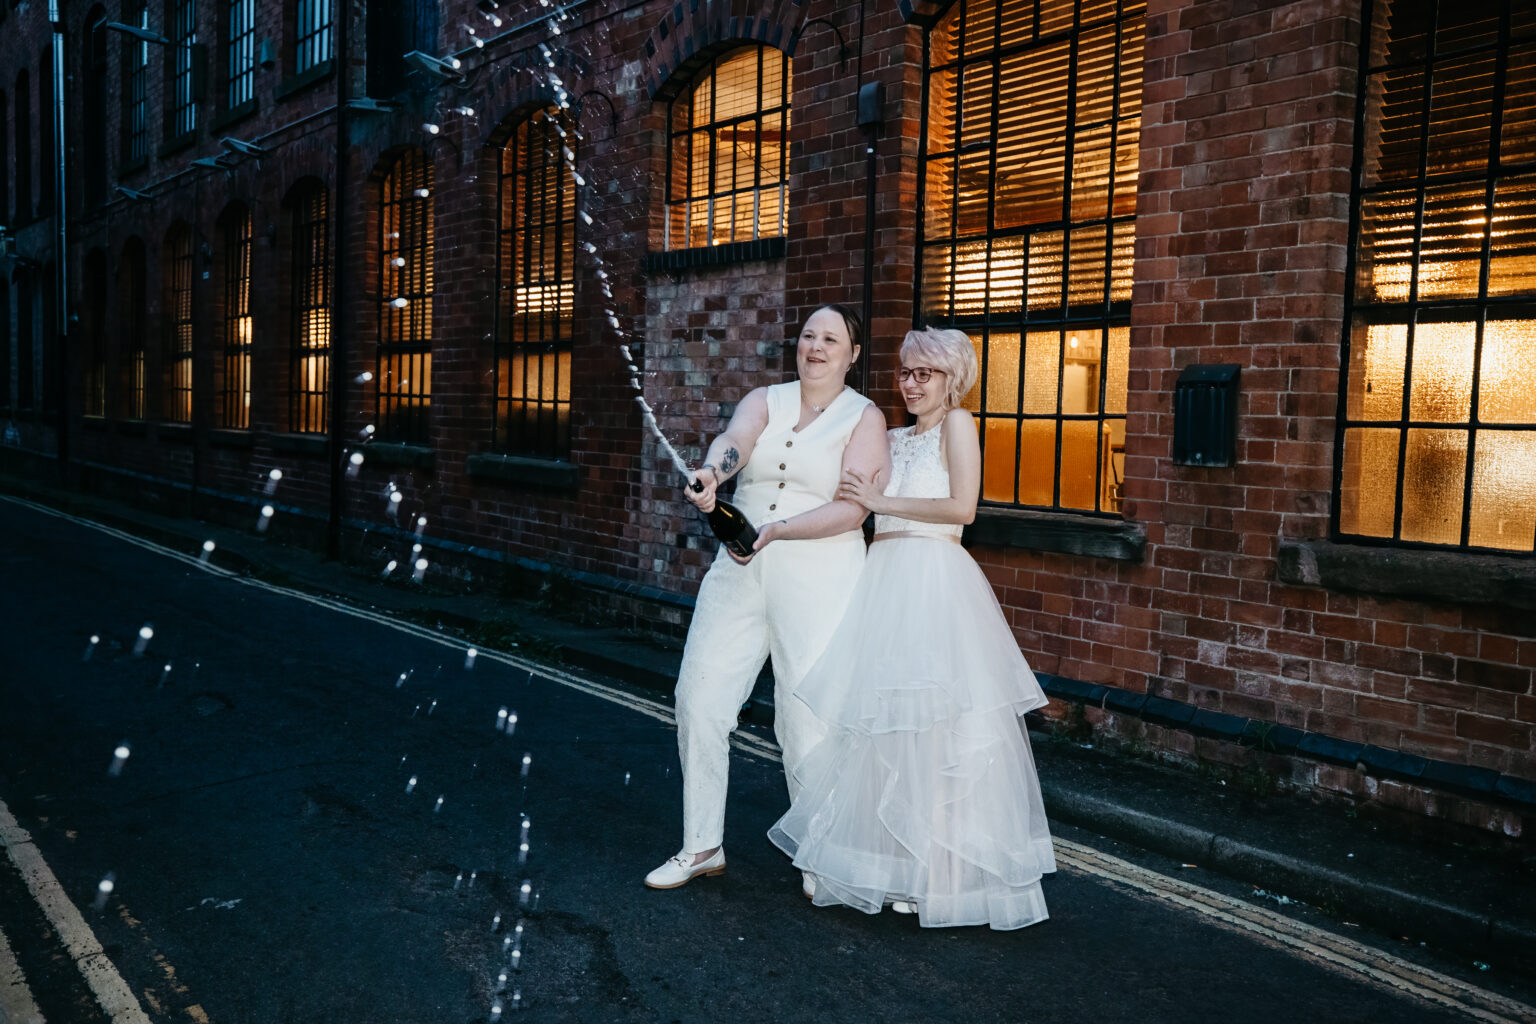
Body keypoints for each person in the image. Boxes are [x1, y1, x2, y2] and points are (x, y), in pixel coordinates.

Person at [768, 326, 1055, 929]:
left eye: (927, 373)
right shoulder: (891, 437)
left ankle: (939, 879)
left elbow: (963, 510)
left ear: (953, 379)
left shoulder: (959, 425)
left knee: (937, 733)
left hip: (932, 577)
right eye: (905, 372)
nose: (912, 384)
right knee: (885, 734)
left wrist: (881, 505)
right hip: (883, 578)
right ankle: (897, 870)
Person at [645, 305, 890, 890]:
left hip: (822, 576)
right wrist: (711, 474)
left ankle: (818, 850)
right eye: (808, 335)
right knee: (698, 700)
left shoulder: (866, 418)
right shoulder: (766, 399)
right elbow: (736, 441)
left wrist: (777, 531)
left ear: (853, 354)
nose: (816, 346)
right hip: (739, 573)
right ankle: (701, 844)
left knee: (807, 720)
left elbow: (853, 509)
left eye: (831, 339)